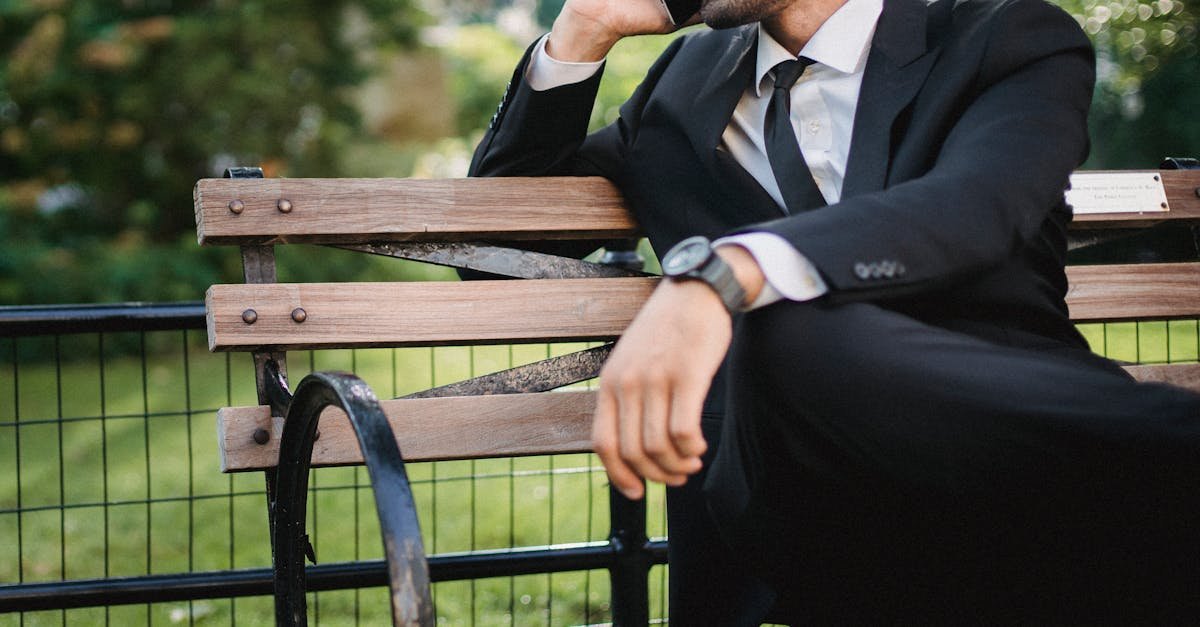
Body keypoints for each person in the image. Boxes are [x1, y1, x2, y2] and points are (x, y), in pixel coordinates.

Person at [469, 0, 1200, 622]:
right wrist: (579, 34)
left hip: (1000, 458)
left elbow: (975, 209)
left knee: (779, 319)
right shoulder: (682, 84)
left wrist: (725, 275)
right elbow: (492, 253)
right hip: (788, 496)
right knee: (780, 332)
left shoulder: (1007, 36)